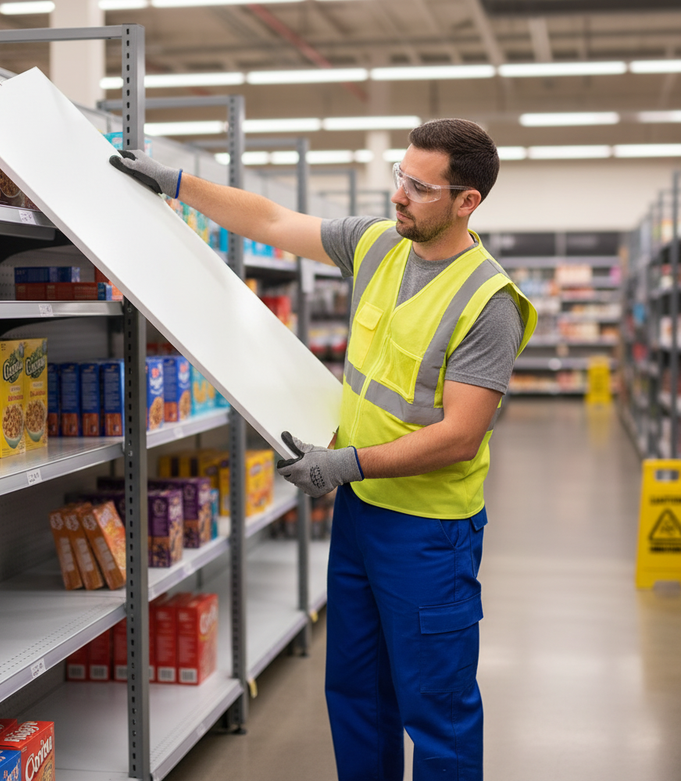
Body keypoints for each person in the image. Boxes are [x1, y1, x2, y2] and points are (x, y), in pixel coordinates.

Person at [110, 118, 538, 781]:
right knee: (356, 693)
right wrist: (177, 183)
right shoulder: (376, 244)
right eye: (401, 176)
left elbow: (459, 436)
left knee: (437, 712)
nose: (399, 195)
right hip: (361, 514)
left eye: (420, 188)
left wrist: (344, 463)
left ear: (466, 201)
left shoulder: (488, 301)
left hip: (429, 531)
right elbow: (275, 221)